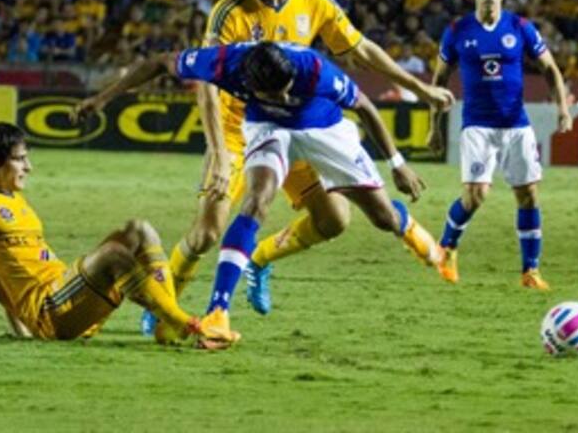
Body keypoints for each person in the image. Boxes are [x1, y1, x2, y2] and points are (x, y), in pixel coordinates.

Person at [141, 0, 453, 333]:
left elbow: (361, 49)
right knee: (206, 234)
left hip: (298, 122)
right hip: (242, 130)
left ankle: (259, 258)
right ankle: (162, 305)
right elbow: (205, 82)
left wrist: (421, 88)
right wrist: (218, 153)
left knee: (334, 221)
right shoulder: (230, 10)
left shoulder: (315, 1)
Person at [74, 41, 443, 342]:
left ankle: (405, 227)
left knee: (376, 218)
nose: (282, 97)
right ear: (249, 83)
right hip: (266, 128)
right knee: (254, 200)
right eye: (273, 92)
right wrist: (102, 98)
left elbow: (364, 106)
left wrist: (397, 164)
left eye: (285, 91)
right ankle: (218, 311)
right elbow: (158, 61)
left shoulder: (314, 69)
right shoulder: (224, 63)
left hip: (323, 126)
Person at [0, 122, 232, 348]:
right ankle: (188, 324)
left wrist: (18, 329)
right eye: (20, 158)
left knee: (140, 230)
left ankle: (167, 325)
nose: (29, 167)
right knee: (113, 256)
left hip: (67, 297)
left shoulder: (16, 203)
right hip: (50, 313)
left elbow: (7, 272)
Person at [426, 0, 572, 290]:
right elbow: (438, 80)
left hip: (516, 124)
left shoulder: (520, 27)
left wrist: (562, 107)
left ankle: (530, 271)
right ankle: (447, 247)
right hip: (477, 124)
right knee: (475, 196)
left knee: (529, 195)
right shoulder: (457, 30)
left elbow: (550, 69)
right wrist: (434, 125)